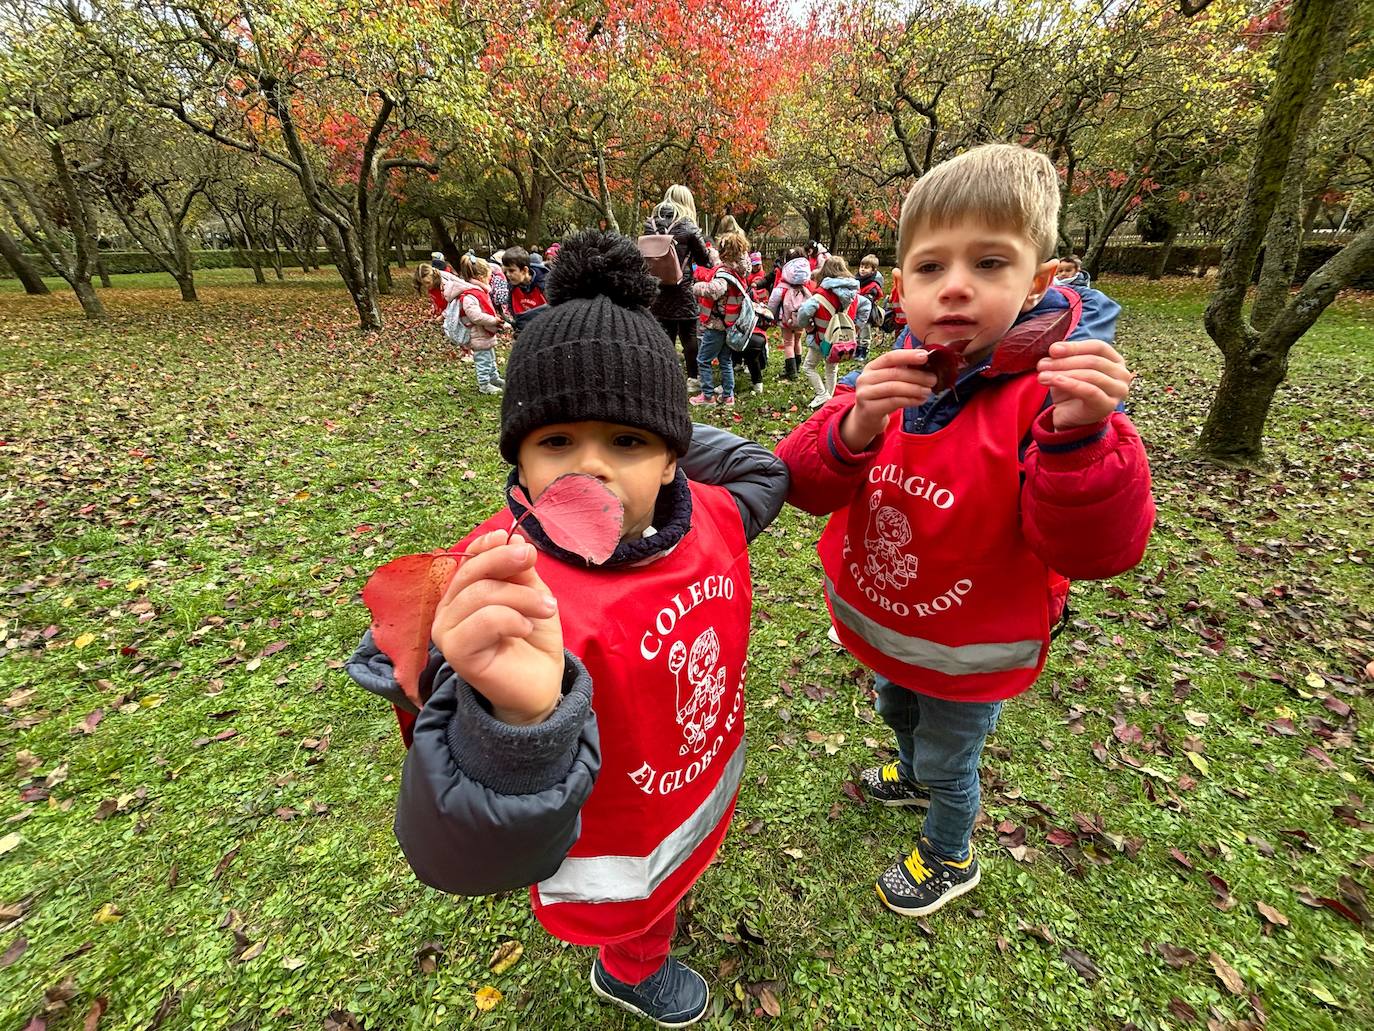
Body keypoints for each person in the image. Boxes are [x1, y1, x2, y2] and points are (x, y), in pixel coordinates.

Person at [346, 230, 789, 1028]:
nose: (591, 467)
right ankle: (630, 970)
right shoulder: (504, 595)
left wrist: (675, 436)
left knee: (677, 877)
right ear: (519, 464)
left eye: (628, 439)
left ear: (672, 462)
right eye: (557, 441)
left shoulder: (714, 518)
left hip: (694, 785)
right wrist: (515, 720)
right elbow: (457, 840)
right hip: (613, 850)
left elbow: (762, 470)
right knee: (644, 914)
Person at [775, 143, 1153, 919]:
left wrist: (1080, 440)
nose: (954, 288)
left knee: (953, 757)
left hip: (971, 647)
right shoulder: (888, 373)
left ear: (1040, 282)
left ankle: (950, 851)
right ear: (899, 283)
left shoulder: (1056, 400)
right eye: (929, 267)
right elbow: (802, 484)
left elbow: (1095, 549)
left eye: (988, 263)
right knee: (895, 710)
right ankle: (909, 769)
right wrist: (853, 422)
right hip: (892, 629)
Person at [645, 185, 712, 393]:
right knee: (689, 336)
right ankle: (692, 379)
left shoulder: (650, 224)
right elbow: (704, 259)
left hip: (657, 289)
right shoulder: (688, 226)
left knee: (665, 337)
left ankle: (664, 377)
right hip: (682, 289)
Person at [794, 255, 870, 409]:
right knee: (832, 369)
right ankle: (830, 398)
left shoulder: (820, 296)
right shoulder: (854, 295)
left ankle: (822, 394)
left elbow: (803, 313)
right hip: (842, 341)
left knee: (808, 367)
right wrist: (856, 327)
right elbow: (867, 306)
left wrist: (806, 326)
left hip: (821, 340)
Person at [690, 230, 753, 407]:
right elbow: (722, 269)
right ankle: (728, 396)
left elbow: (714, 290)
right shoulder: (739, 270)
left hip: (716, 325)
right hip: (730, 324)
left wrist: (695, 287)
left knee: (703, 360)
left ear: (725, 252)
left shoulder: (724, 275)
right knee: (725, 360)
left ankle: (708, 396)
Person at [446, 254, 509, 394]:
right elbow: (475, 316)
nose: (490, 279)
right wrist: (493, 320)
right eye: (489, 276)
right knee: (483, 360)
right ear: (481, 277)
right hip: (477, 335)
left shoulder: (479, 292)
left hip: (484, 335)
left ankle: (494, 377)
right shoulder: (470, 295)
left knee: (491, 358)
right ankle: (484, 384)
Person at [767, 250, 811, 382]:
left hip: (786, 320)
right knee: (797, 341)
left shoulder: (782, 288)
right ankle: (797, 366)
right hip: (801, 320)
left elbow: (772, 304)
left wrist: (771, 317)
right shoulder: (805, 287)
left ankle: (791, 372)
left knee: (788, 343)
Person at [502, 246, 549, 335]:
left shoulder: (544, 284)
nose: (508, 275)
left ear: (524, 270)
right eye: (506, 271)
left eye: (511, 271)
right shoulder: (512, 287)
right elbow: (513, 310)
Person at [856, 254, 885, 363]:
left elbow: (868, 300)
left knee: (865, 332)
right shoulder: (858, 280)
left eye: (866, 267)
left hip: (867, 313)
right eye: (861, 266)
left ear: (873, 270)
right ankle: (857, 349)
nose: (862, 269)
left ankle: (864, 351)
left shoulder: (873, 285)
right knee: (857, 331)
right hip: (857, 311)